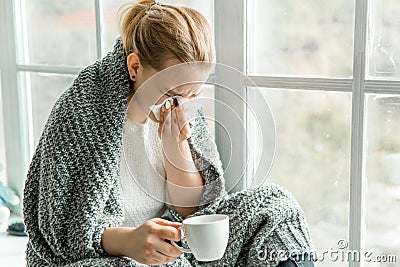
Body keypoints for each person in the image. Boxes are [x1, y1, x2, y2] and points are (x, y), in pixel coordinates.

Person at [23, 1, 315, 266]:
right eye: (173, 92)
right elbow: (61, 232)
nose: (182, 104)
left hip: (173, 251)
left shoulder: (181, 104)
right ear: (135, 67)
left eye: (194, 93)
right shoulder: (82, 110)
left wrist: (177, 153)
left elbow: (197, 212)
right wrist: (130, 241)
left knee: (274, 207)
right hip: (100, 257)